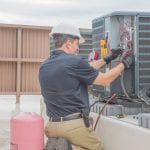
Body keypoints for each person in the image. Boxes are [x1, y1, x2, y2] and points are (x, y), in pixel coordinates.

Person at [39, 23, 133, 150]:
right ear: (68, 43)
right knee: (97, 147)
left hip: (51, 126)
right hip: (72, 126)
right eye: (77, 44)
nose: (77, 49)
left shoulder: (45, 65)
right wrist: (124, 63)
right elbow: (105, 80)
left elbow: (86, 68)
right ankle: (70, 148)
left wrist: (108, 58)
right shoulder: (74, 61)